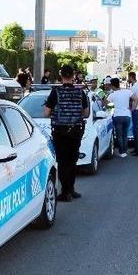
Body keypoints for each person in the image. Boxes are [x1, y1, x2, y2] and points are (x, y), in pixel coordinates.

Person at [43, 63, 90, 202]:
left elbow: (46, 113)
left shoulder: (55, 92)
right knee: (72, 160)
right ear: (73, 76)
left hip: (60, 131)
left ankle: (65, 192)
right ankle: (71, 189)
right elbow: (86, 113)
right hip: (76, 130)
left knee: (63, 161)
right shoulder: (80, 92)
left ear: (61, 76)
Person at [107, 78, 136, 158]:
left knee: (119, 135)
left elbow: (106, 104)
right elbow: (136, 99)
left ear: (112, 85)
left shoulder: (112, 94)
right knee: (125, 134)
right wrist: (133, 108)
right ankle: (125, 151)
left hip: (117, 116)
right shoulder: (127, 91)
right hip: (127, 115)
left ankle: (121, 152)